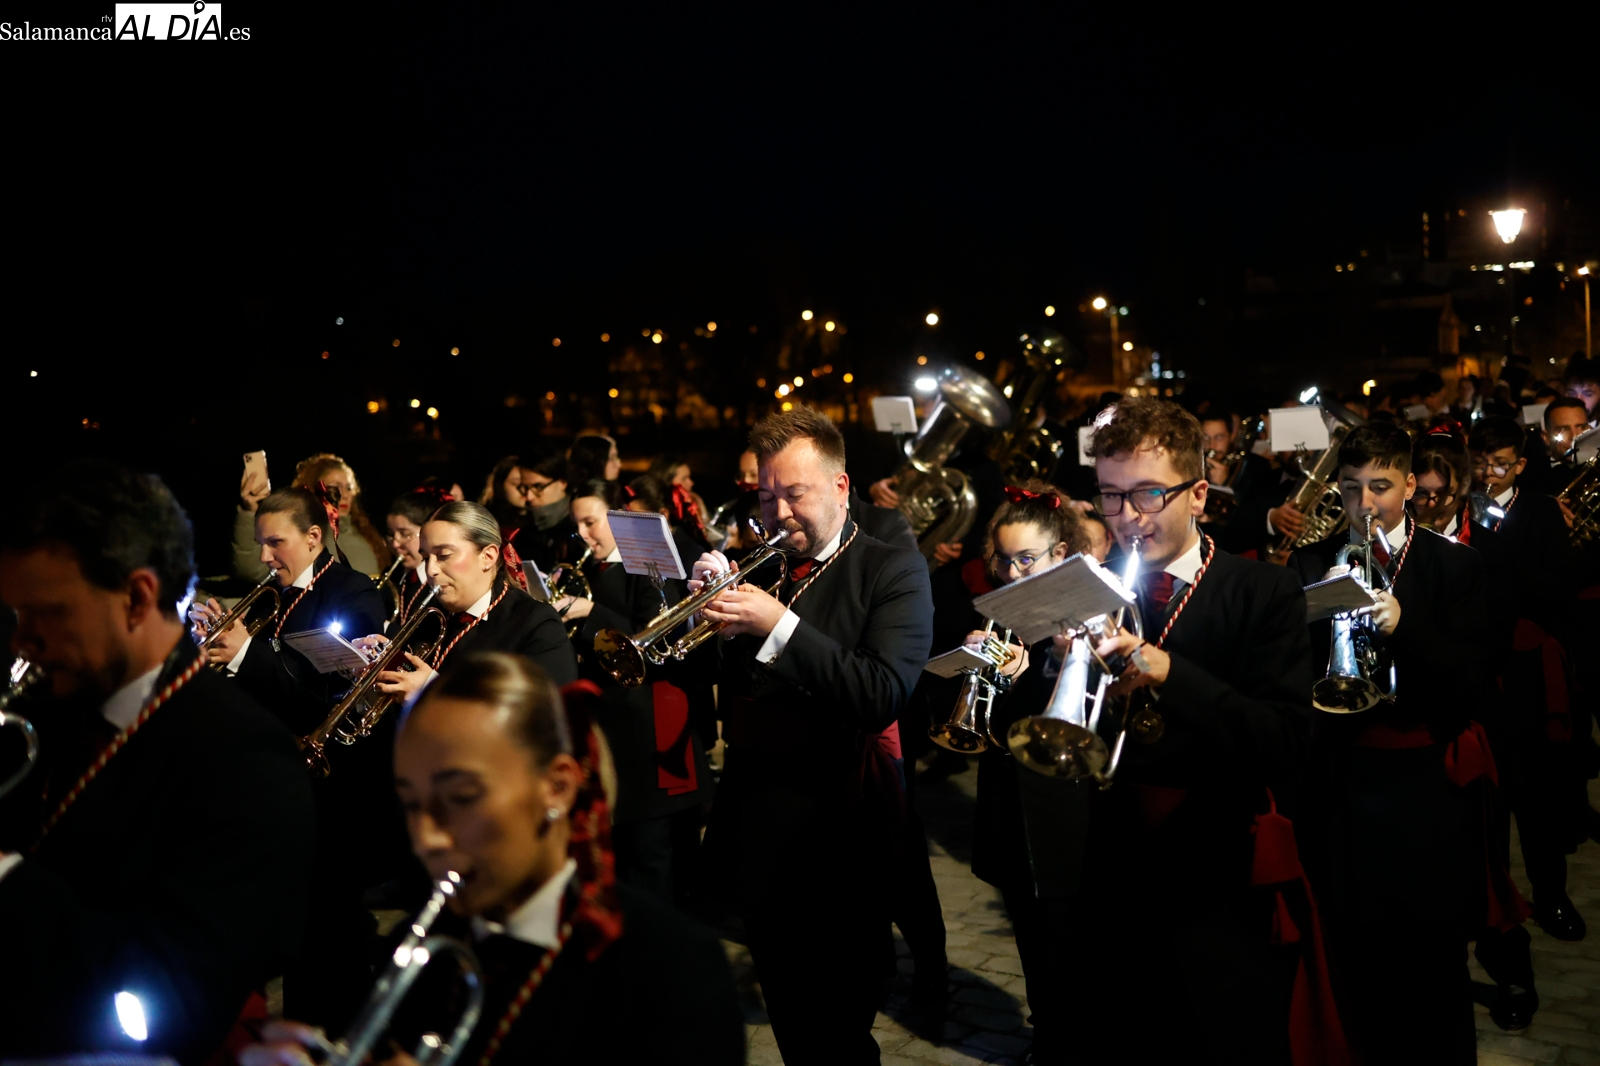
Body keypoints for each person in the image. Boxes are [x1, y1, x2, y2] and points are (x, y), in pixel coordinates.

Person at [238, 653, 746, 1066]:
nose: (427, 838)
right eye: (412, 804)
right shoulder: (418, 949)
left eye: (461, 797)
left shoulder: (672, 968)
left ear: (557, 787)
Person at [1034, 397, 1321, 1066]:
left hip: (1216, 873)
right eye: (1110, 496)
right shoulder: (1091, 588)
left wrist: (1169, 672)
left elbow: (1283, 742)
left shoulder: (1261, 590)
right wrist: (1048, 665)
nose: (1127, 517)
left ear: (1197, 494)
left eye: (1148, 494)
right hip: (1114, 869)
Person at [0, 463, 315, 1062]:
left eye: (49, 613)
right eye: (18, 616)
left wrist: (8, 877)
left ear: (137, 598)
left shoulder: (246, 759)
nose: (22, 642)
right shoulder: (49, 708)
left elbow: (176, 1002)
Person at [693, 405, 934, 1065]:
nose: (777, 513)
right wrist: (707, 621)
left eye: (793, 494)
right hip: (758, 829)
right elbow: (735, 687)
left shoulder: (892, 569)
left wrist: (777, 626)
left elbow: (879, 693)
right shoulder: (763, 566)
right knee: (793, 1027)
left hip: (838, 835)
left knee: (837, 1035)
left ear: (840, 486)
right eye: (766, 496)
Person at [1289, 422, 1508, 1064]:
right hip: (1341, 781)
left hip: (1422, 786)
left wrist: (1404, 626)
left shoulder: (1453, 563)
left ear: (1410, 486)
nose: (1365, 503)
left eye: (1380, 487)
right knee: (1351, 953)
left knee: (1431, 962)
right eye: (1351, 487)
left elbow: (1472, 682)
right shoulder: (1311, 562)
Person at [197, 485, 393, 1028]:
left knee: (330, 936)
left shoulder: (354, 593)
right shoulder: (274, 594)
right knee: (295, 933)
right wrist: (221, 654)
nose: (264, 556)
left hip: (332, 792)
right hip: (273, 786)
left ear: (312, 538)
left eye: (275, 543)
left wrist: (245, 652)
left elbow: (327, 696)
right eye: (260, 543)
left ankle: (341, 1040)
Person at [959, 482, 1085, 1063]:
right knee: (1030, 936)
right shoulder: (999, 613)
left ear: (1060, 554)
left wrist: (1037, 668)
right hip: (1012, 800)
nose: (1013, 573)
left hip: (1067, 808)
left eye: (1027, 559)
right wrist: (977, 668)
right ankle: (1047, 1035)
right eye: (1005, 560)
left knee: (1066, 937)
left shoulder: (1085, 610)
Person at [556, 479, 712, 905]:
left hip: (647, 726)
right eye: (577, 525)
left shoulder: (646, 568)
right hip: (608, 727)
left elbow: (655, 641)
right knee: (622, 852)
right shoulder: (586, 570)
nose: (584, 534)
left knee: (652, 854)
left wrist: (591, 612)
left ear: (617, 518)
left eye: (591, 522)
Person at [364, 501, 578, 700]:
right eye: (426, 558)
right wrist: (379, 673)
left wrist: (433, 690)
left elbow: (543, 713)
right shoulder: (431, 617)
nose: (431, 570)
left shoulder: (536, 623)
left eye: (444, 555)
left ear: (488, 556)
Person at [233, 453, 391, 581]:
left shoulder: (366, 534)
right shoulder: (303, 533)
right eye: (335, 487)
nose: (344, 494)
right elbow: (252, 570)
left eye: (349, 487)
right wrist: (249, 512)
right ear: (314, 490)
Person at [382, 486, 454, 635]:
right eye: (391, 534)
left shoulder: (442, 581)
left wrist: (387, 629)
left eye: (405, 534)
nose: (395, 543)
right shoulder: (389, 578)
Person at [518, 448, 580, 572]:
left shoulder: (579, 528)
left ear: (562, 482)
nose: (529, 497)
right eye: (525, 487)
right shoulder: (525, 533)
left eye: (538, 487)